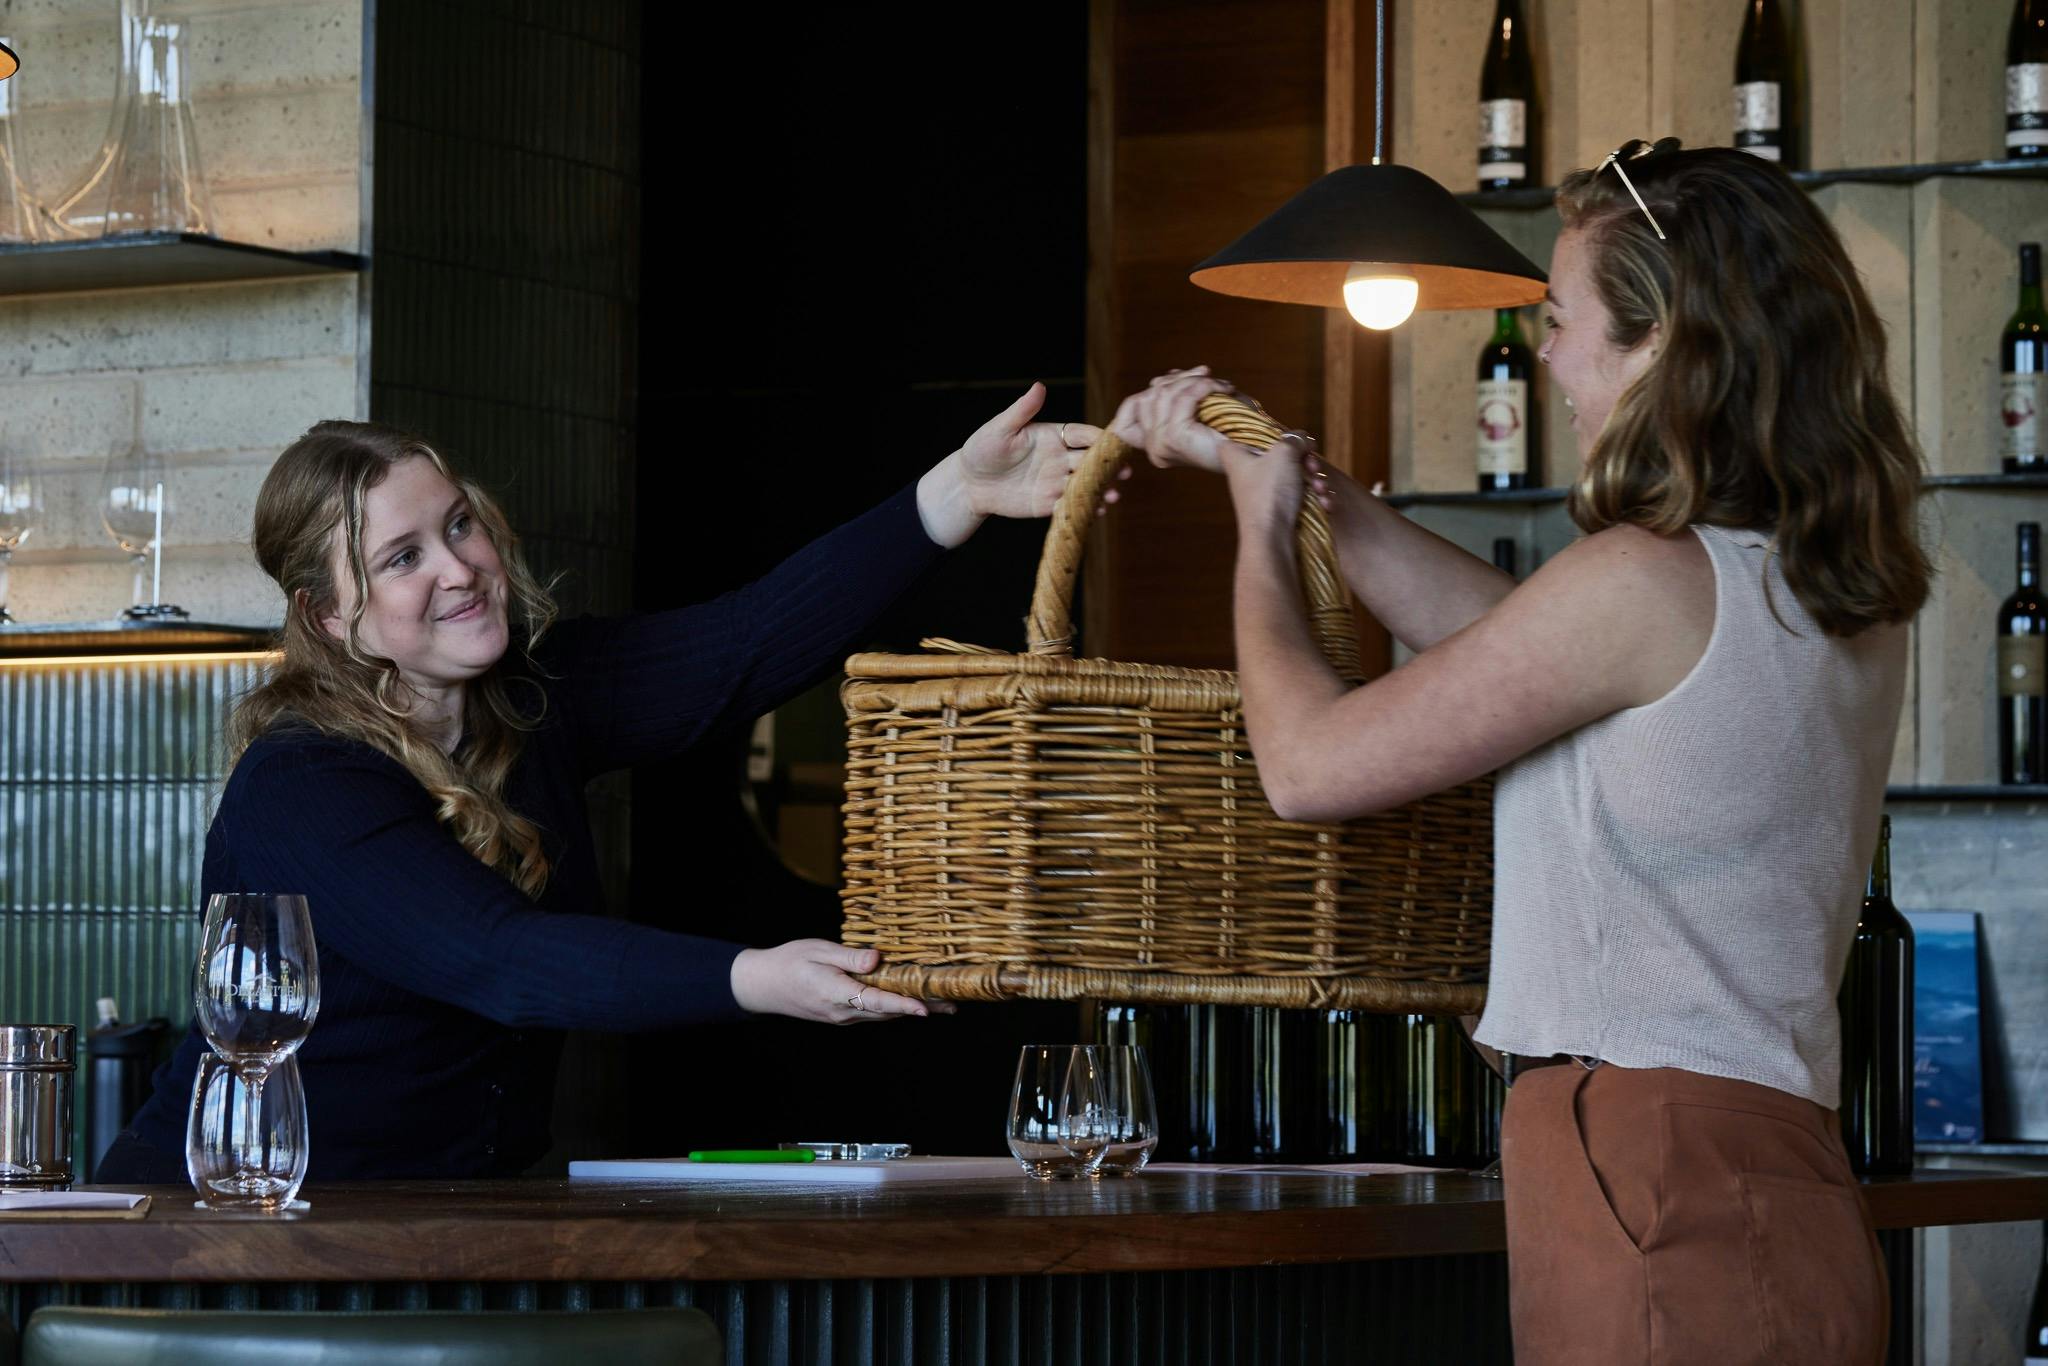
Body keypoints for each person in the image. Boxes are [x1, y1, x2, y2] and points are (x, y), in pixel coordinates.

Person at [1110, 139, 1929, 1365]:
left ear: (1661, 343)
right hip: (1756, 1166)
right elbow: (1502, 643)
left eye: (1560, 319)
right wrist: (1283, 465)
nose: (1541, 357)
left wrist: (1259, 530)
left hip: (1649, 1167)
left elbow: (1307, 766)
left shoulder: (1644, 579)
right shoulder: (1807, 583)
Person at [99, 384, 1099, 1183]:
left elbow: (743, 644)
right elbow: (502, 959)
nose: (458, 568)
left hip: (434, 1220)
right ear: (328, 619)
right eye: (402, 557)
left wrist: (954, 495)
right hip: (231, 1225)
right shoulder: (301, 783)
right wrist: (758, 977)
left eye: (458, 526)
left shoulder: (535, 697)